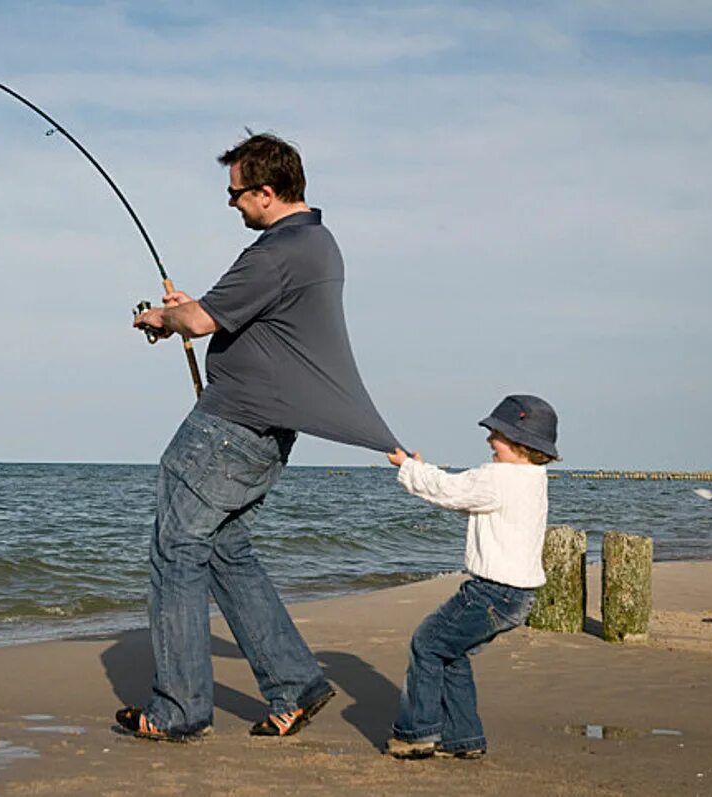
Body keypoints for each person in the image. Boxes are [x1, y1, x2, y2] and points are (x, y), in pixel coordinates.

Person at [117, 132, 403, 742]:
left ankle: (177, 710)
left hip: (230, 426)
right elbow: (241, 315)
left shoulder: (275, 252)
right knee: (223, 550)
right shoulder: (316, 244)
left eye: (236, 194)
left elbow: (198, 320)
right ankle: (295, 682)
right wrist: (194, 312)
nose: (232, 205)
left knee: (176, 551)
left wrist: (163, 318)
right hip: (266, 430)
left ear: (267, 192)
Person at [384, 394, 559, 759]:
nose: (488, 441)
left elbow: (450, 491)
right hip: (517, 597)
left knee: (427, 643)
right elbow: (469, 498)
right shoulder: (533, 479)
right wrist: (421, 470)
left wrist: (408, 468)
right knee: (451, 653)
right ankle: (464, 738)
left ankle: (417, 734)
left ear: (518, 442)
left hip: (492, 593)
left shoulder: (499, 477)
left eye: (495, 433)